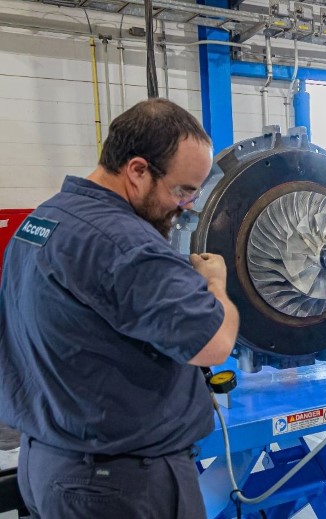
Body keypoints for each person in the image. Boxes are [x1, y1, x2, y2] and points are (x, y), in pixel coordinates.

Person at [0, 99, 240, 517]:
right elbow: (214, 343)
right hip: (119, 486)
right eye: (182, 190)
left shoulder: (43, 219)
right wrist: (215, 284)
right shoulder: (126, 245)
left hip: (47, 463)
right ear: (138, 170)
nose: (186, 205)